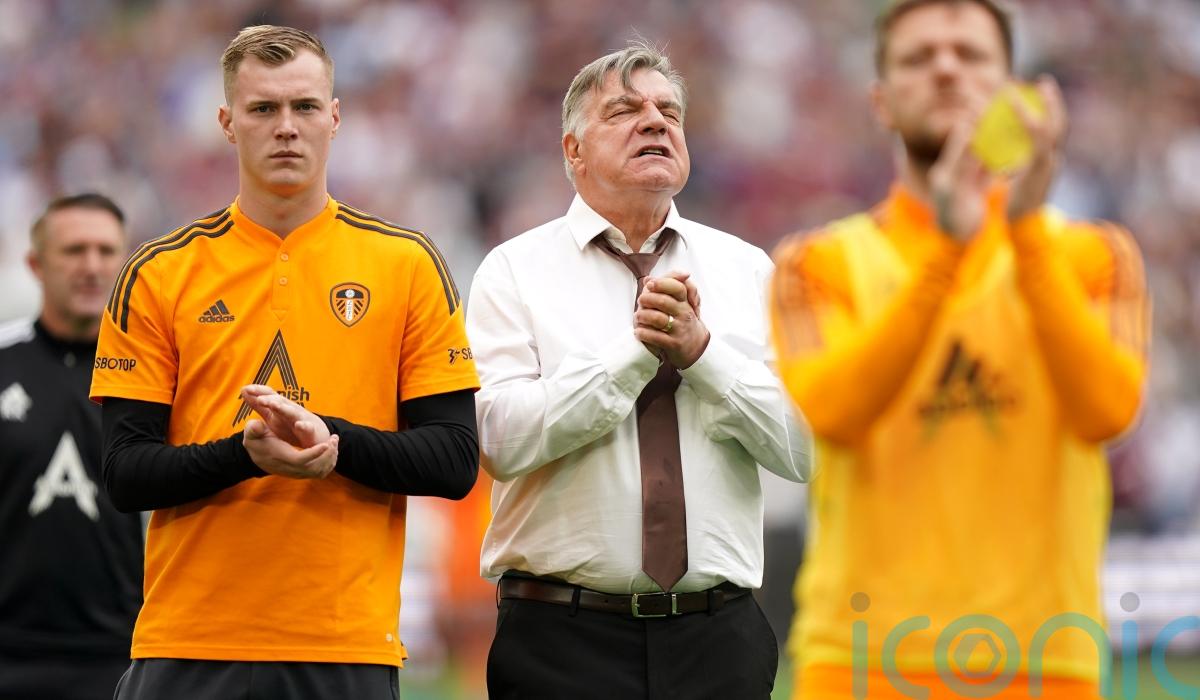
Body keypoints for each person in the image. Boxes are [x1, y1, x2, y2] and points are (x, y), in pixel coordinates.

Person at [769, 1, 1149, 698]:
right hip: (862, 661)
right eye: (918, 58)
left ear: (1013, 93)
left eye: (970, 54)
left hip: (1043, 662)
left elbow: (1107, 413)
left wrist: (1024, 231)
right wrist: (947, 251)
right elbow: (835, 414)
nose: (946, 69)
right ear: (881, 103)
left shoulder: (1093, 254)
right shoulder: (816, 262)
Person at [89, 25, 479, 699]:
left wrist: (332, 443)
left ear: (335, 117)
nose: (287, 127)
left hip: (346, 646)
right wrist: (244, 457)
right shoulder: (159, 272)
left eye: (304, 106)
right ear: (226, 123)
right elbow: (124, 474)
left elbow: (453, 459)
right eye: (263, 108)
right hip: (189, 643)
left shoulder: (407, 265)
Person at [467, 42, 813, 700]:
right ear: (573, 151)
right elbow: (500, 443)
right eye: (625, 110)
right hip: (560, 641)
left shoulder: (748, 270)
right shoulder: (513, 271)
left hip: (720, 641)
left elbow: (804, 450)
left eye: (669, 111)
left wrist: (703, 355)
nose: (655, 120)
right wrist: (635, 355)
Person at [0, 194, 141, 700]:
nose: (92, 267)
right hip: (8, 652)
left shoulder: (158, 373)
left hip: (126, 654)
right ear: (36, 265)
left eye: (106, 251)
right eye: (74, 250)